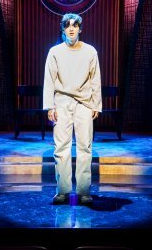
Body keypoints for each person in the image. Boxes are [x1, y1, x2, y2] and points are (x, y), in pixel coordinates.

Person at [43, 13, 102, 205]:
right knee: (61, 148)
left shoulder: (90, 52)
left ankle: (84, 191)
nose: (71, 29)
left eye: (74, 25)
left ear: (80, 29)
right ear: (63, 29)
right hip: (61, 103)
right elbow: (49, 80)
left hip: (84, 104)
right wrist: (50, 106)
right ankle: (63, 191)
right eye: (67, 25)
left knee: (85, 147)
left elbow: (95, 79)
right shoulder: (55, 52)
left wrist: (96, 104)